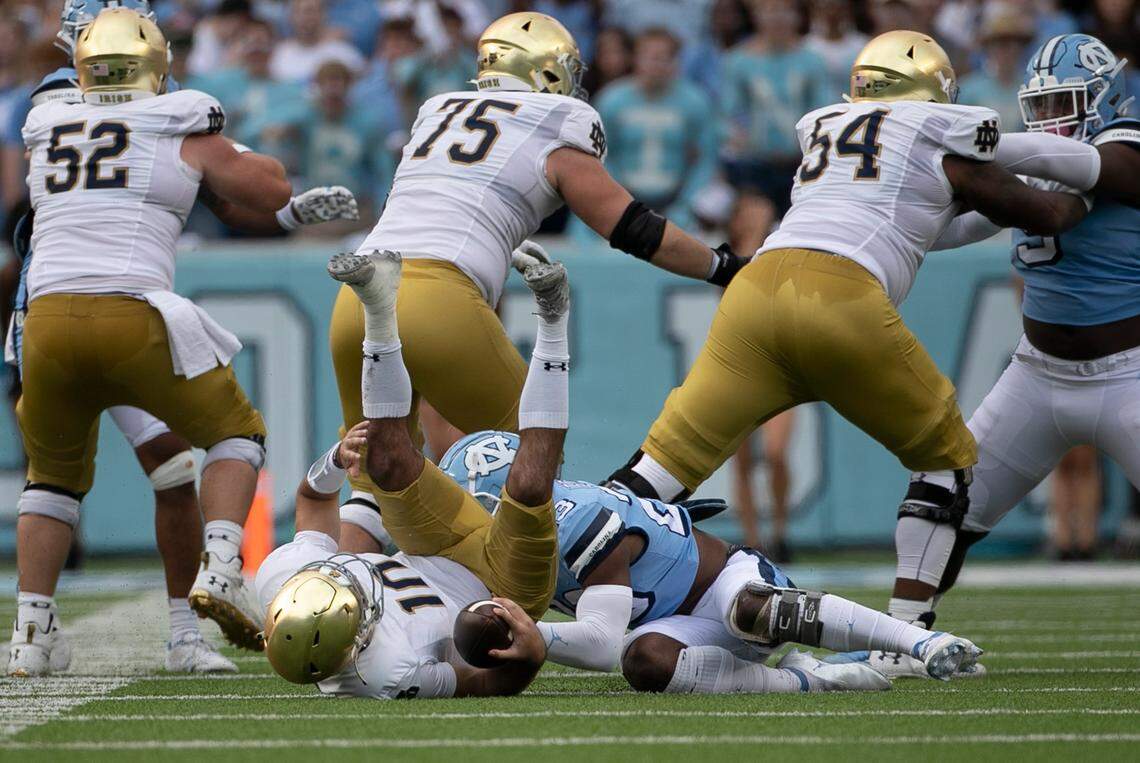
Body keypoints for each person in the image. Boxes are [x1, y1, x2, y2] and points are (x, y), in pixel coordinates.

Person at [605, 31, 1089, 551]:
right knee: (948, 460)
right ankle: (911, 621)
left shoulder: (827, 130)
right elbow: (1027, 208)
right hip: (840, 298)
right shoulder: (933, 133)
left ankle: (578, 562)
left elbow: (933, 227)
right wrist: (1090, 183)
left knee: (659, 468)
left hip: (757, 286)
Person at [5, 1, 359, 678]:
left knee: (53, 482)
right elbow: (239, 176)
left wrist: (279, 212)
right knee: (236, 433)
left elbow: (175, 177)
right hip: (128, 312)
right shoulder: (176, 112)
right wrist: (278, 197)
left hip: (47, 323)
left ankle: (33, 632)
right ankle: (223, 566)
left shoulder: (47, 116)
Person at [330, 11, 747, 547]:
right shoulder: (555, 119)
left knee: (371, 477)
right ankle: (507, 613)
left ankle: (339, 598)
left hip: (359, 299)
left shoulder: (438, 112)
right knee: (530, 463)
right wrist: (724, 267)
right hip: (439, 298)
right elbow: (634, 229)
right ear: (548, 74)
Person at [871, 32, 1140, 678]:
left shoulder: (1124, 143)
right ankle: (907, 636)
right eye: (1041, 106)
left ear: (1105, 100)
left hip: (1130, 369)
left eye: (1066, 103)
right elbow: (956, 226)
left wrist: (959, 139)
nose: (1051, 120)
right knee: (945, 501)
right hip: (1037, 373)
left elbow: (1086, 165)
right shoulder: (1037, 158)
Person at [341, 428, 981, 695]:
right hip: (671, 630)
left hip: (724, 584)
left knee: (752, 609)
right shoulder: (485, 542)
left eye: (487, 505)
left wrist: (535, 640)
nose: (475, 522)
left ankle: (919, 642)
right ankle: (814, 680)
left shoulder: (576, 522)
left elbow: (592, 644)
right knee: (644, 663)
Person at [256, 247, 569, 699]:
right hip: (499, 587)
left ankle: (381, 310)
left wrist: (334, 460)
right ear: (358, 639)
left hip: (431, 544)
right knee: (529, 481)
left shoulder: (282, 580)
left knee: (382, 457)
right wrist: (531, 655)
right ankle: (554, 317)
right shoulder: (387, 673)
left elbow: (312, 501)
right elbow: (482, 682)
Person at [720, 0, 830, 237]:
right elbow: (729, 114)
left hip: (802, 164)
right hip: (755, 166)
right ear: (756, 15)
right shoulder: (738, 61)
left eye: (784, 10)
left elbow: (824, 112)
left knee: (803, 233)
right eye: (769, 11)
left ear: (797, 15)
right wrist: (741, 140)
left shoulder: (812, 61)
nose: (777, 18)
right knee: (754, 225)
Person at [595, 27, 717, 227]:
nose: (656, 65)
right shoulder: (611, 100)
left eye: (664, 58)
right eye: (650, 57)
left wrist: (687, 202)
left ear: (676, 62)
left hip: (677, 199)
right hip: (621, 196)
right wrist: (618, 198)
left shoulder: (696, 102)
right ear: (635, 58)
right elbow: (600, 156)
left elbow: (706, 158)